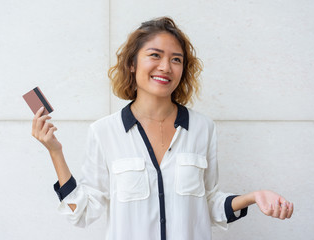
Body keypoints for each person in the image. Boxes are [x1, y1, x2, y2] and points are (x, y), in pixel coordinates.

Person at [31, 17, 293, 240]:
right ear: (132, 64)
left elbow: (209, 204)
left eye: (176, 59)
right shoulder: (104, 132)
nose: (166, 67)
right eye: (155, 55)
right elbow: (82, 212)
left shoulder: (203, 128)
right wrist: (55, 152)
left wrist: (253, 197)